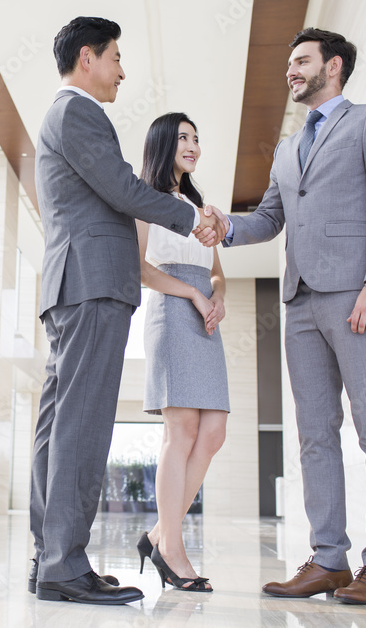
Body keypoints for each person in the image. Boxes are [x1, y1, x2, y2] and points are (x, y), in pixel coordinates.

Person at [207, 27, 366, 604]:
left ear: (335, 65)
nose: (291, 71)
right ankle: (328, 559)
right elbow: (269, 218)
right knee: (314, 435)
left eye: (301, 61)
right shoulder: (288, 147)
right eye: (290, 63)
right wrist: (226, 225)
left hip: (356, 297)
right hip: (298, 303)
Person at [29, 16, 225, 606]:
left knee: (58, 425)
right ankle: (63, 564)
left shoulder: (64, 116)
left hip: (75, 284)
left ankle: (52, 558)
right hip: (92, 284)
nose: (121, 70)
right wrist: (190, 217)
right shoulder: (78, 112)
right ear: (87, 57)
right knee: (81, 425)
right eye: (115, 57)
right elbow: (120, 187)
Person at [134, 113, 229, 593]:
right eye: (183, 137)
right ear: (163, 144)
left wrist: (217, 295)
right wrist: (191, 295)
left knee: (213, 431)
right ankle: (172, 548)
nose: (192, 145)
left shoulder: (203, 209)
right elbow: (142, 269)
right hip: (171, 311)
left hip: (204, 316)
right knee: (183, 428)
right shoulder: (146, 201)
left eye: (197, 137)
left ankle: (155, 535)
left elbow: (215, 271)